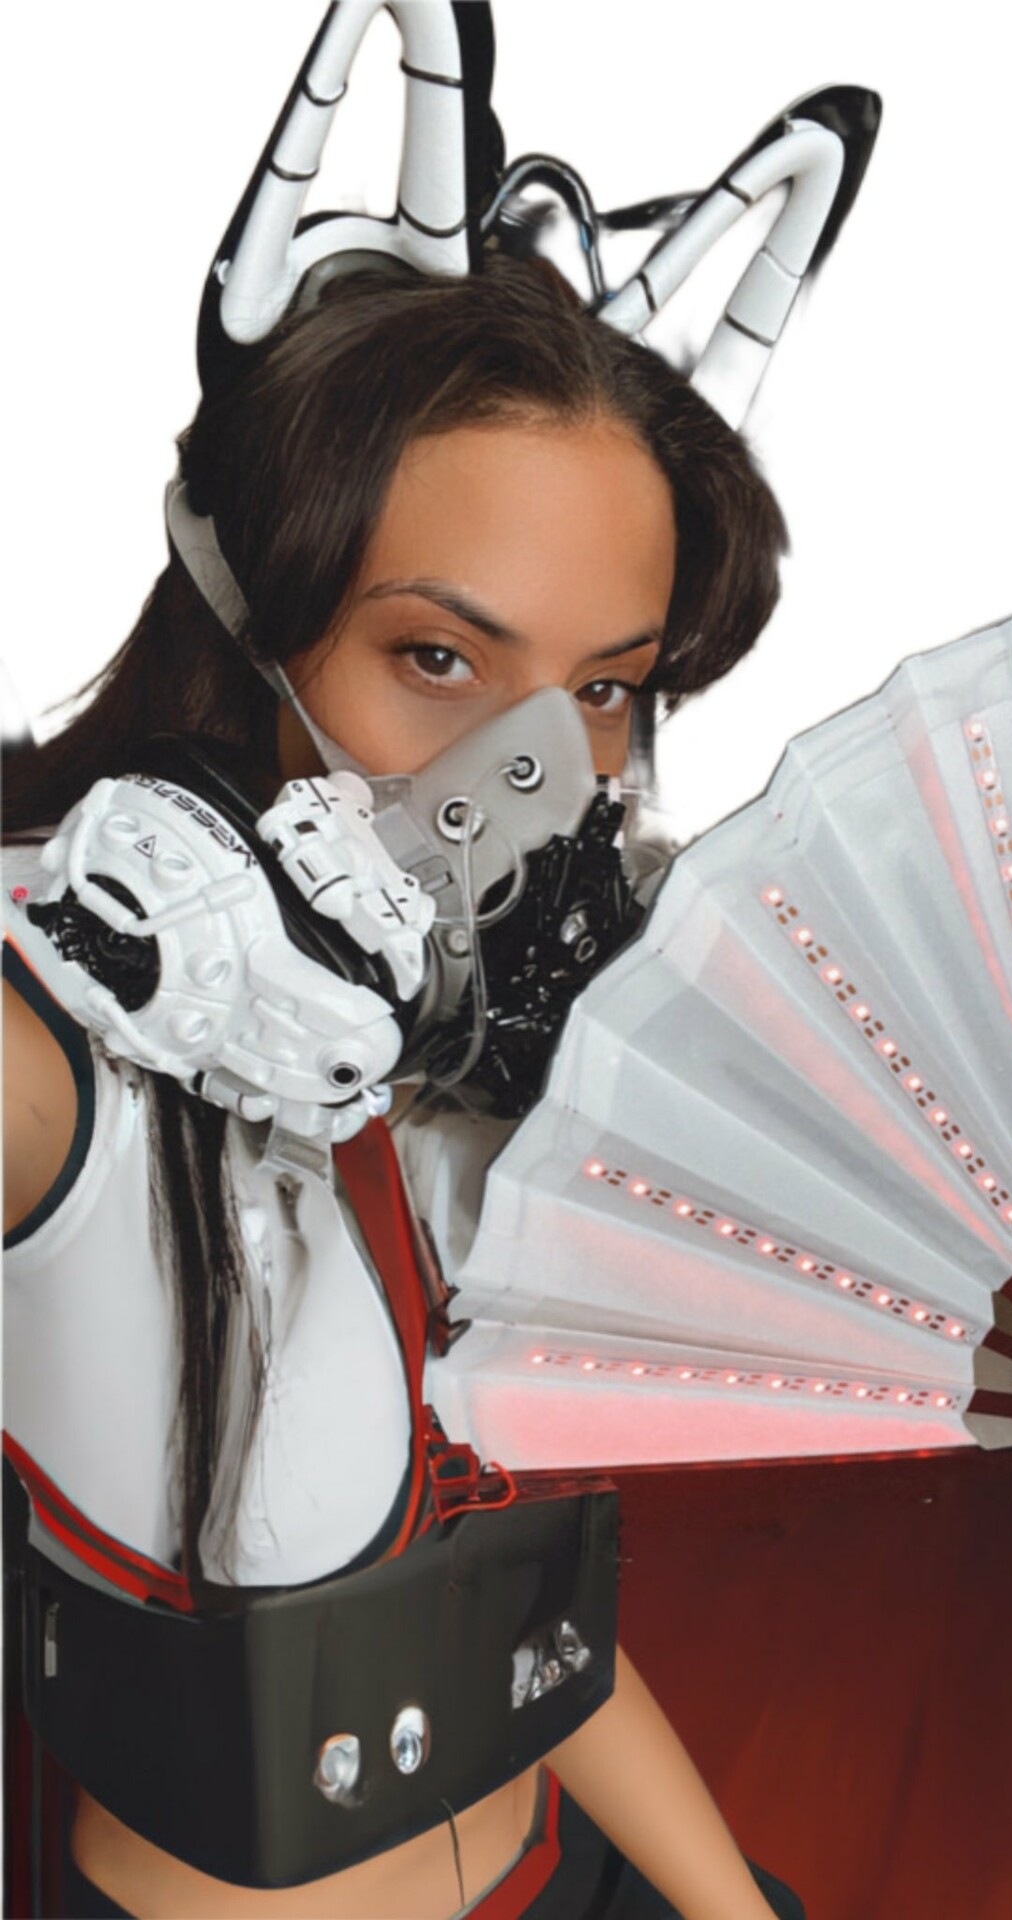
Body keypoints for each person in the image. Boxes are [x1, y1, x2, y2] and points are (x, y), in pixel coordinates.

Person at [2, 2, 875, 1911]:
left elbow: (513, 1627)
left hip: (562, 1862)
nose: (532, 778)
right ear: (249, 618)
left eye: (605, 691)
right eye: (438, 657)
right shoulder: (63, 1057)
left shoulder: (478, 1094)